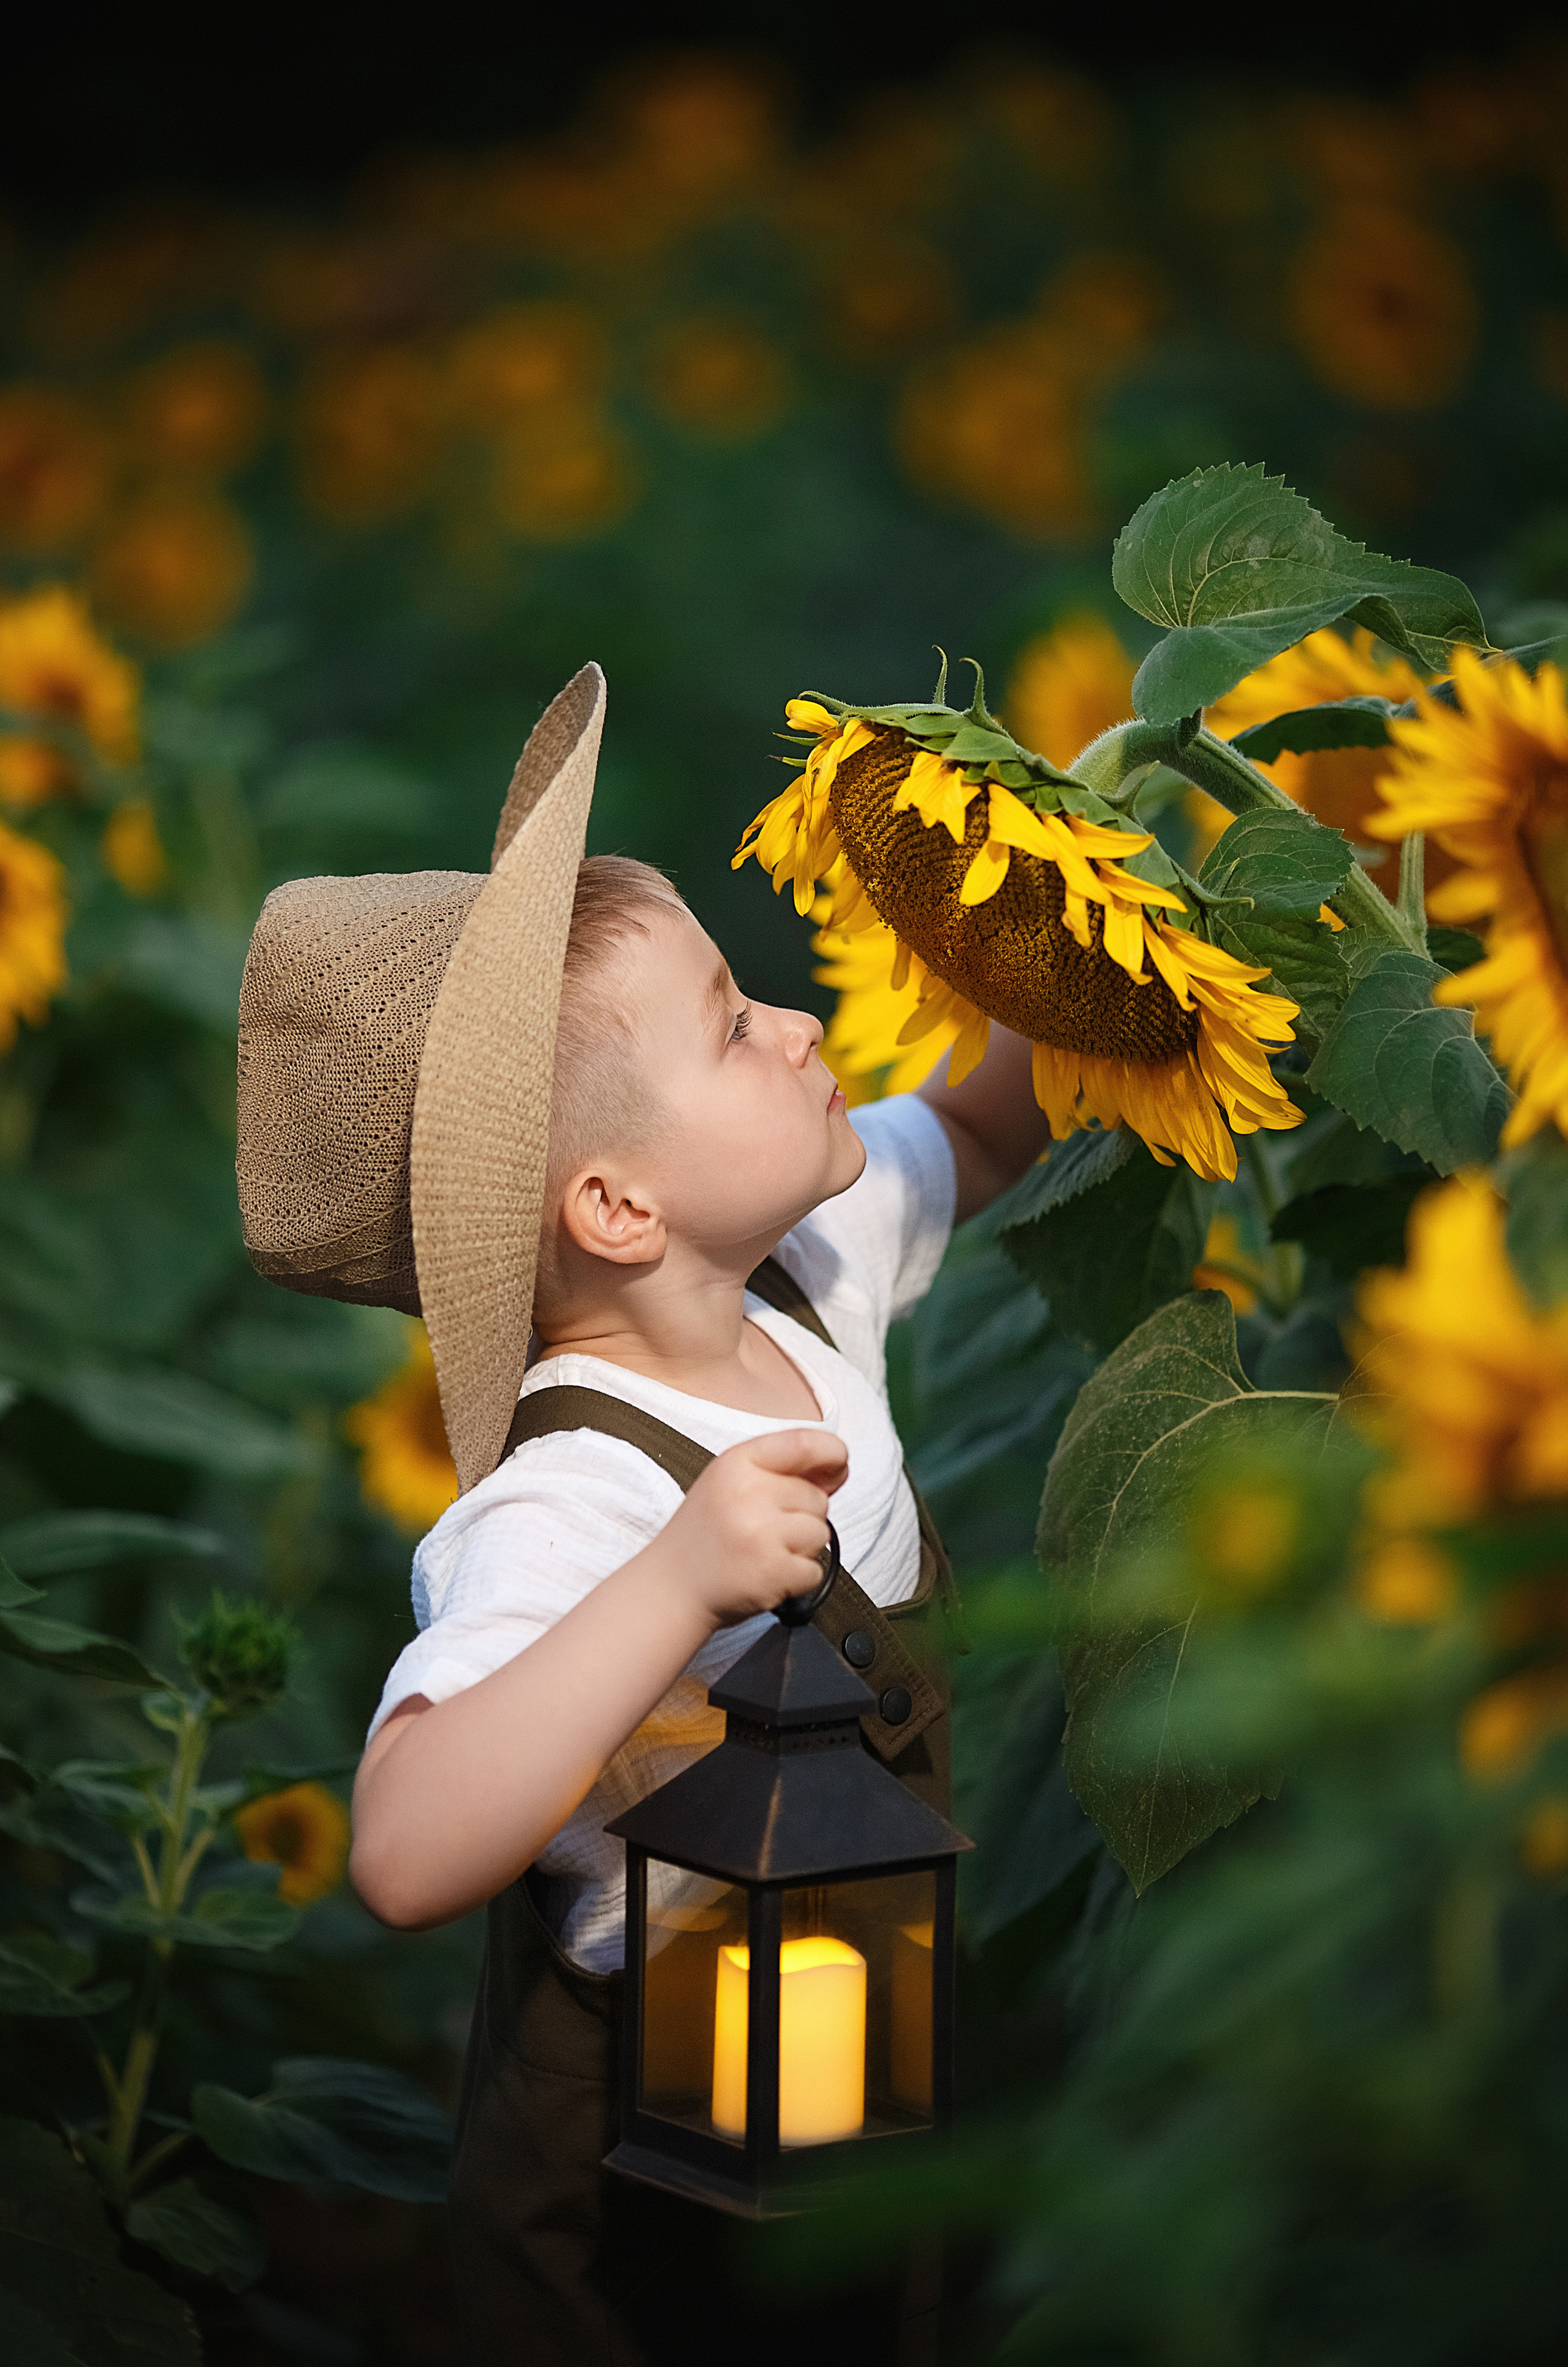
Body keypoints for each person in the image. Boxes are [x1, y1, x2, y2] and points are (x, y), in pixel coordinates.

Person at [235, 664, 1047, 2366]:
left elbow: (993, 1123)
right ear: (617, 1206)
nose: (804, 1026)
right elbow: (402, 1851)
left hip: (861, 2067)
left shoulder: (813, 1275)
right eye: (737, 1022)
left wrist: (1044, 902)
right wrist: (676, 1582)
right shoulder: (573, 1498)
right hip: (640, 2160)